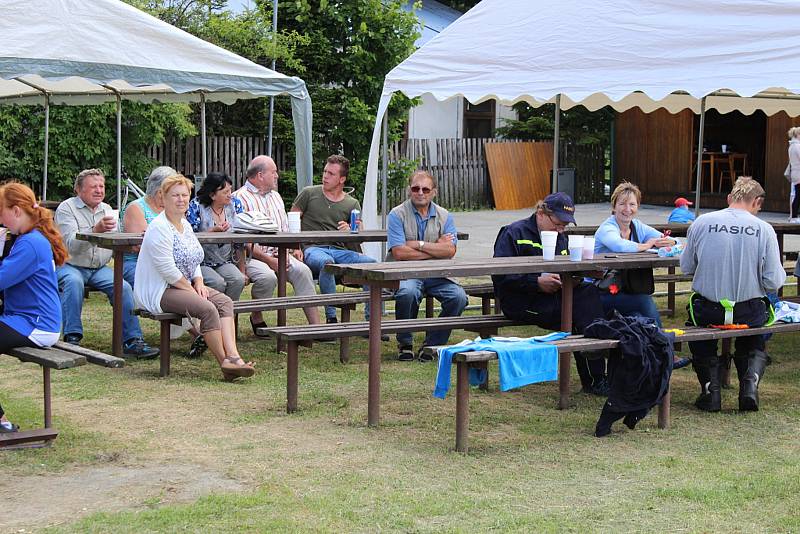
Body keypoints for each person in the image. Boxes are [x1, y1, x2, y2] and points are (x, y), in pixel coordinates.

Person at [134, 174, 255, 381]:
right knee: (207, 308)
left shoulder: (186, 225)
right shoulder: (158, 227)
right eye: (175, 195)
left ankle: (234, 357)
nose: (181, 199)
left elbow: (195, 259)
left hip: (184, 285)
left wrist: (198, 281)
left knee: (225, 302)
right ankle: (224, 363)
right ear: (163, 198)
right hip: (160, 290)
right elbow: (168, 271)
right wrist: (193, 290)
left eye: (184, 195)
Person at [681, 177, 786, 412]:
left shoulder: (701, 223)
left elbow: (687, 267)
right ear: (757, 202)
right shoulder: (764, 229)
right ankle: (749, 386)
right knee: (756, 332)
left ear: (729, 199)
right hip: (748, 312)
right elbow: (774, 280)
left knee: (699, 335)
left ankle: (711, 391)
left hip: (709, 310)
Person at [492, 192, 608, 395]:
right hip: (521, 302)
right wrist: (536, 282)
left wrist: (584, 273)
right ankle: (597, 378)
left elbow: (566, 271)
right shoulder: (512, 233)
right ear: (541, 213)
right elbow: (500, 277)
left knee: (588, 294)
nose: (561, 228)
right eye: (558, 223)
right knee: (581, 317)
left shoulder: (560, 238)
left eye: (565, 225)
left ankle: (598, 375)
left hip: (554, 297)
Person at [55, 169, 158, 358]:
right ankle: (72, 338)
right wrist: (95, 230)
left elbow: (115, 240)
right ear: (78, 189)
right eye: (93, 186)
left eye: (101, 186)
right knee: (73, 282)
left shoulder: (107, 208)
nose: (99, 190)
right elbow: (69, 244)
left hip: (99, 268)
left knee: (124, 287)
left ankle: (132, 341)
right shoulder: (66, 208)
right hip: (70, 265)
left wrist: (132, 246)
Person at [0, 182, 69, 434]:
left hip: (36, 324)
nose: (0, 219)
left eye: (1, 212)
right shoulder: (24, 238)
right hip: (24, 319)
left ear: (16, 211)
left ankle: (1, 423)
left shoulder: (30, 243)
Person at [386, 170, 467, 361]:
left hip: (437, 273)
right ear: (409, 190)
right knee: (407, 293)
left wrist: (419, 244)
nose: (420, 192)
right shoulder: (396, 214)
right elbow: (399, 253)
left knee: (459, 297)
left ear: (434, 192)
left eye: (425, 189)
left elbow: (450, 251)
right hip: (406, 272)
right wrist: (436, 248)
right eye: (415, 188)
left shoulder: (445, 215)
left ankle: (432, 344)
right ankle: (405, 342)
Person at [234, 156, 321, 330]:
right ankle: (256, 316)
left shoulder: (276, 197)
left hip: (280, 253)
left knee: (303, 271)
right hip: (251, 257)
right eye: (273, 172)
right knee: (267, 277)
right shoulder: (238, 198)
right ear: (260, 175)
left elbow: (284, 228)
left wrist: (294, 248)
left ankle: (317, 327)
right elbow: (242, 241)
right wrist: (269, 259)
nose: (277, 176)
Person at [290, 154, 378, 325]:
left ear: (342, 179)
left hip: (340, 250)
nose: (325, 176)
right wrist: (295, 247)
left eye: (331, 173)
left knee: (372, 264)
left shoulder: (351, 204)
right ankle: (331, 317)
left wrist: (351, 230)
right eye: (324, 172)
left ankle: (372, 321)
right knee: (327, 262)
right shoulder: (309, 193)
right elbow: (291, 222)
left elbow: (360, 235)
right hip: (313, 248)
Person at [594, 182, 676, 327]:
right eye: (622, 204)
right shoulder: (607, 228)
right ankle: (664, 342)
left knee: (637, 318)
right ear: (614, 206)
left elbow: (670, 240)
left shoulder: (637, 226)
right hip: (600, 292)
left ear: (637, 206)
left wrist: (668, 242)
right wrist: (648, 245)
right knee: (643, 301)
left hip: (626, 290)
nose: (627, 209)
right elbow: (619, 245)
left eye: (632, 204)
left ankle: (653, 346)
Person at [187, 172, 247, 300]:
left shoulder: (235, 205)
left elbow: (240, 239)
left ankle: (228, 316)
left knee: (238, 279)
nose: (230, 195)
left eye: (230, 190)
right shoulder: (196, 206)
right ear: (212, 195)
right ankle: (213, 316)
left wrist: (242, 270)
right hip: (201, 261)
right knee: (217, 283)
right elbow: (188, 238)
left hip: (225, 259)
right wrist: (212, 231)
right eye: (225, 192)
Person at [120, 166, 174, 288]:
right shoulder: (136, 208)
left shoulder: (172, 207)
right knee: (166, 284)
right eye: (173, 190)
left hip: (167, 262)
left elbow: (184, 237)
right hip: (137, 263)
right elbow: (142, 246)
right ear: (160, 191)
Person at [787, 127, 800, 223]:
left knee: (797, 194)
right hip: (799, 172)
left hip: (795, 173)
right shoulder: (797, 146)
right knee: (798, 195)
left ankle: (794, 216)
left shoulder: (792, 146)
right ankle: (794, 216)